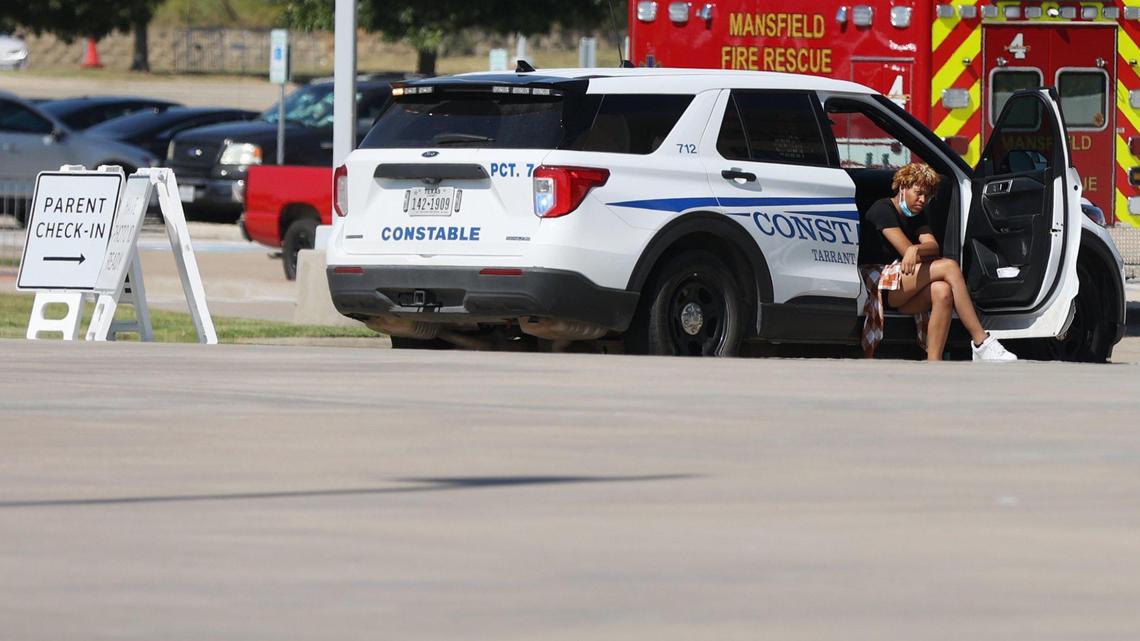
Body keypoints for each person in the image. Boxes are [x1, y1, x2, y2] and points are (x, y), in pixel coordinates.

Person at [859, 163, 1017, 362]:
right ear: (902, 187)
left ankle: (934, 361)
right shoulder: (882, 209)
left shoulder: (916, 215)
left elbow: (932, 247)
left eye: (926, 196)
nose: (922, 200)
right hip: (881, 283)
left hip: (904, 284)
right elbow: (905, 249)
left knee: (942, 291)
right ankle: (981, 341)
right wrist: (912, 250)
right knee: (949, 267)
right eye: (917, 193)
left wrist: (916, 249)